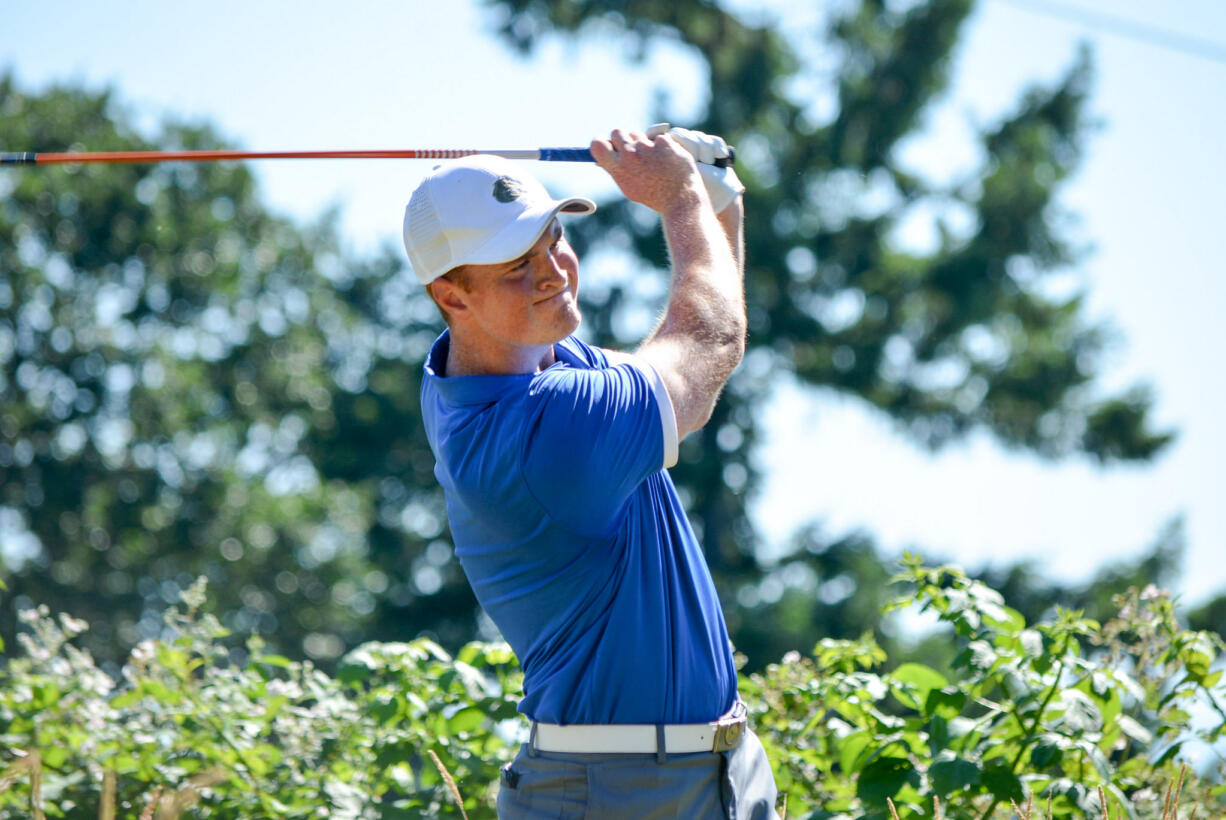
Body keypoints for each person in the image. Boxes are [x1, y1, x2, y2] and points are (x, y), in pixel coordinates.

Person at [404, 125, 779, 819]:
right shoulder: (541, 438)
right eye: (515, 263)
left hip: (711, 771)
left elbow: (696, 328)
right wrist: (679, 203)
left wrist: (717, 197)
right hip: (618, 791)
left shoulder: (528, 361)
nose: (552, 271)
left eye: (552, 239)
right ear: (451, 296)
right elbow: (707, 340)